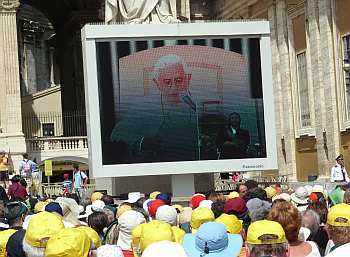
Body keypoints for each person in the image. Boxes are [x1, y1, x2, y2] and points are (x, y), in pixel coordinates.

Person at [110, 54, 199, 163]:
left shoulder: (198, 104)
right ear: (157, 83)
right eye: (167, 82)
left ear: (188, 79)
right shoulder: (145, 108)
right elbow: (117, 134)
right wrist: (142, 142)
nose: (174, 87)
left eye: (179, 80)